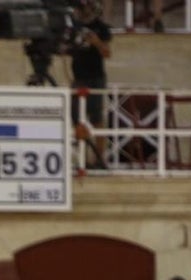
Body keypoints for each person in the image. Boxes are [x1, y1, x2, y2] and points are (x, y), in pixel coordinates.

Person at [66, 0, 112, 167]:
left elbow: (107, 53)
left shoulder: (101, 27)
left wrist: (96, 42)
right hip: (78, 77)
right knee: (75, 117)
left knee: (96, 117)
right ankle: (81, 158)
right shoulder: (74, 26)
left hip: (95, 77)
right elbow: (67, 49)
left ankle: (99, 158)